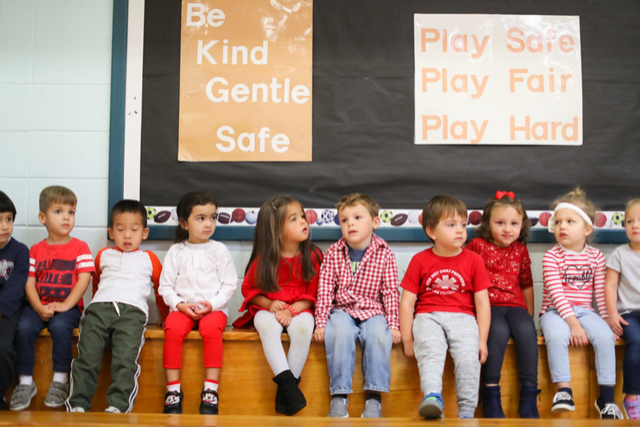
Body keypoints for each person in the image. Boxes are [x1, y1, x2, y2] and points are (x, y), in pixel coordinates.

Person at [66, 200, 169, 413]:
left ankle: (118, 406)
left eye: (134, 230)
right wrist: (92, 307)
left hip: (132, 313)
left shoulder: (149, 259)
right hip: (99, 310)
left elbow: (161, 289)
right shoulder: (103, 255)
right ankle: (78, 405)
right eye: (121, 230)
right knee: (87, 357)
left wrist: (164, 315)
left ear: (145, 233)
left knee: (125, 360)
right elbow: (96, 283)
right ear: (111, 233)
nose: (127, 236)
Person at [399, 195, 491, 419]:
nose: (460, 230)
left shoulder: (474, 260)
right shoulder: (419, 260)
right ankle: (432, 397)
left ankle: (466, 411)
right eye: (451, 225)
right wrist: (408, 340)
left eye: (463, 224)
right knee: (430, 352)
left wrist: (482, 340)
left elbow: (482, 303)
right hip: (428, 316)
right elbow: (407, 303)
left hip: (463, 318)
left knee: (468, 358)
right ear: (432, 232)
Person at [233, 196, 322, 416]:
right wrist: (269, 303)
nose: (303, 221)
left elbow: (313, 294)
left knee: (303, 328)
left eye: (302, 216)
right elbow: (248, 289)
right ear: (277, 231)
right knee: (266, 324)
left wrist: (291, 310)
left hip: (300, 308)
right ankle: (289, 388)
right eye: (294, 219)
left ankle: (286, 392)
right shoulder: (264, 259)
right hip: (269, 309)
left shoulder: (312, 255)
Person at [314, 193, 400, 418]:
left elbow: (390, 292)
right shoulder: (333, 253)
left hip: (373, 310)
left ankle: (374, 397)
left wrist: (393, 325)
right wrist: (321, 323)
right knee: (339, 331)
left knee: (378, 335)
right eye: (344, 220)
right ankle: (339, 396)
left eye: (357, 217)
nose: (350, 223)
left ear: (375, 222)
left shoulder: (385, 253)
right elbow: (325, 291)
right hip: (342, 309)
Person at [539, 187, 623, 419]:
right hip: (554, 311)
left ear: (587, 229)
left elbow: (600, 293)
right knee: (557, 335)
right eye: (558, 222)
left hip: (586, 311)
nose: (562, 227)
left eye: (569, 221)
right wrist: (574, 325)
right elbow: (557, 295)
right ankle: (564, 391)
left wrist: (606, 319)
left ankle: (606, 399)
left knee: (605, 336)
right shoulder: (551, 256)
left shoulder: (596, 257)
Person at [10, 186, 94, 411]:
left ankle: (60, 380)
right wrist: (38, 308)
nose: (66, 217)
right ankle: (25, 382)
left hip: (68, 307)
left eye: (71, 212)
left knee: (59, 328)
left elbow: (83, 280)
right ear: (42, 217)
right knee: (24, 327)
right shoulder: (35, 250)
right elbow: (29, 283)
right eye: (59, 211)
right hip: (38, 305)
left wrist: (66, 304)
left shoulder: (80, 247)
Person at [159, 192, 238, 415]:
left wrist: (211, 305)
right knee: (172, 329)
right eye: (201, 218)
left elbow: (230, 284)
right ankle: (173, 391)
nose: (208, 224)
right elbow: (165, 287)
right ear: (184, 223)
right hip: (182, 308)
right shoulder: (176, 251)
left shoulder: (219, 250)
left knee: (211, 330)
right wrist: (179, 304)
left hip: (213, 310)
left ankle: (210, 390)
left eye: (213, 217)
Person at [466, 191, 540, 418]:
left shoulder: (520, 249)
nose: (508, 229)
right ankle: (490, 394)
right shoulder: (477, 245)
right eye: (500, 223)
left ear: (522, 225)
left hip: (515, 305)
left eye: (514, 223)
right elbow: (465, 276)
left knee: (527, 330)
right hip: (488, 306)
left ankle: (529, 396)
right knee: (496, 331)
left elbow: (526, 283)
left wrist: (529, 313)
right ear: (488, 224)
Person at [604, 198, 640, 420]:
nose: (635, 225)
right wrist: (613, 315)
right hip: (629, 314)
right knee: (637, 340)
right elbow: (610, 286)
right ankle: (632, 398)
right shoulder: (619, 254)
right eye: (630, 221)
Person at [0, 191, 29, 410]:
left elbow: (17, 285)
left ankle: (0, 394)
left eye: (8, 219)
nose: (5, 226)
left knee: (2, 347)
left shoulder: (20, 251)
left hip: (8, 310)